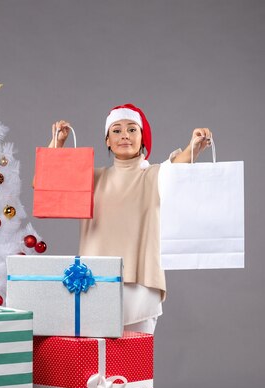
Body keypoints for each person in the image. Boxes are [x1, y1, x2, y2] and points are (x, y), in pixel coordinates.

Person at [48, 104, 212, 333]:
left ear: (142, 137)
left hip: (141, 285)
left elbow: (177, 168)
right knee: (95, 363)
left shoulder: (154, 175)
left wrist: (194, 147)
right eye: (116, 130)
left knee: (133, 363)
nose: (124, 135)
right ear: (107, 140)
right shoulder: (91, 178)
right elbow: (45, 182)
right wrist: (57, 144)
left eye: (132, 129)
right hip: (95, 282)